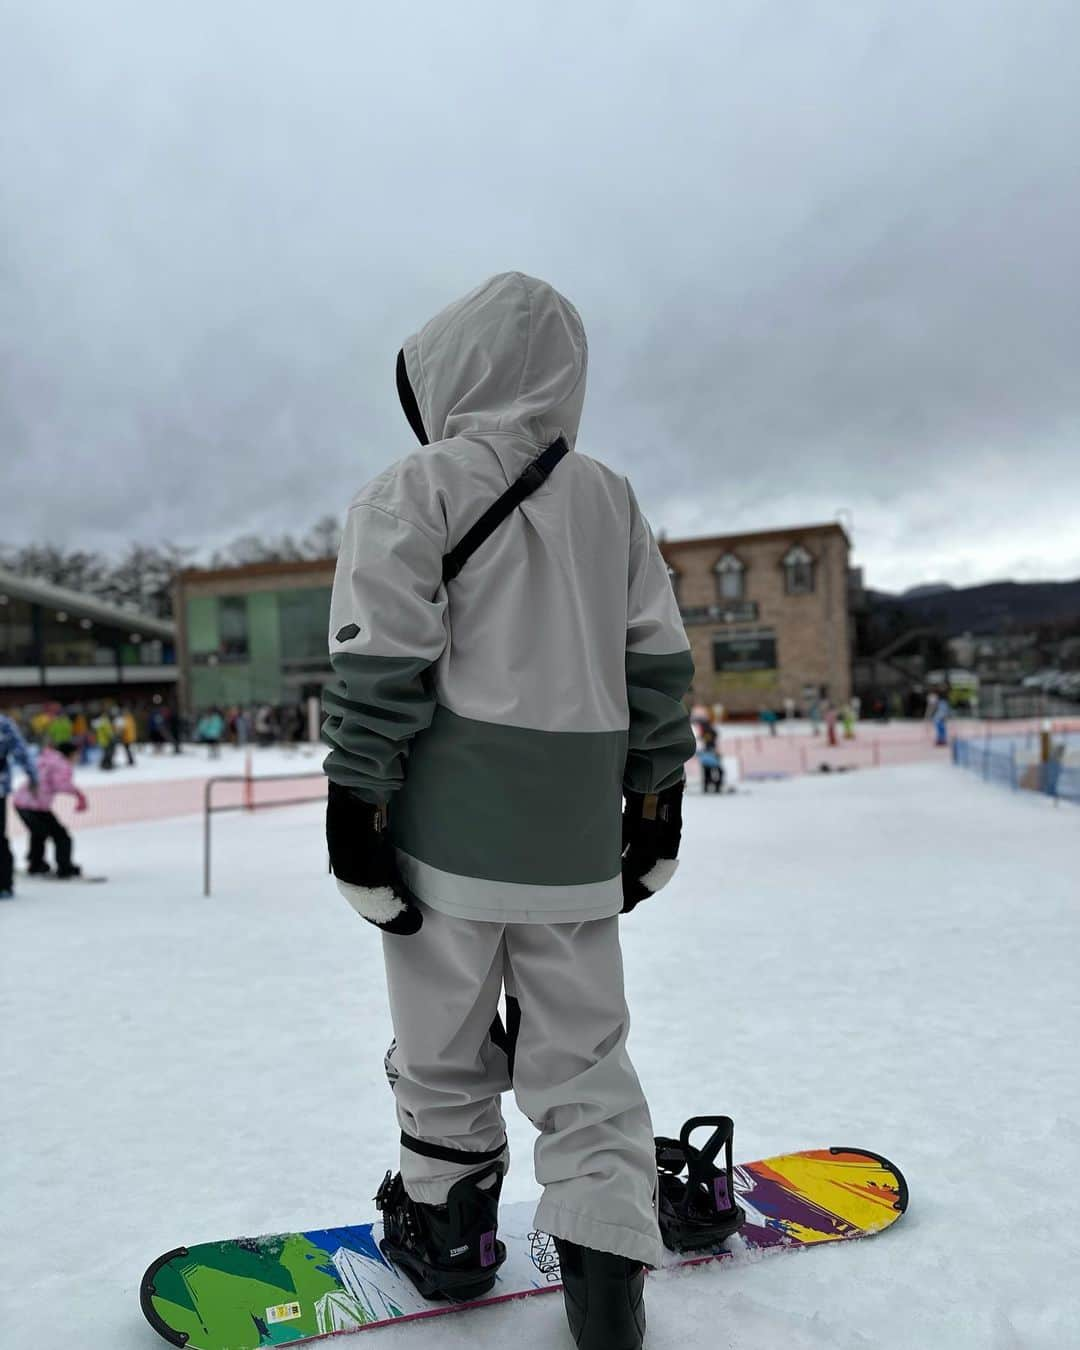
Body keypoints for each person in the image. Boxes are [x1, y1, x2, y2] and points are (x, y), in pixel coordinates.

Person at [322, 273, 694, 1350]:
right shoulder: (610, 500)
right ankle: (607, 1279)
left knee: (441, 1043)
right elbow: (657, 661)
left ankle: (446, 1238)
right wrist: (656, 800)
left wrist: (359, 805)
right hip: (574, 836)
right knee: (584, 1059)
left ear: (449, 370)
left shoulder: (411, 489)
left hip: (446, 831)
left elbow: (381, 660)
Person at [13, 740, 86, 879]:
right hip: (35, 805)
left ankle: (36, 864)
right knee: (61, 835)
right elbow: (61, 784)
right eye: (77, 754)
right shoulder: (62, 764)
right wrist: (78, 794)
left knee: (39, 833)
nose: (78, 758)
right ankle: (65, 868)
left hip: (21, 802)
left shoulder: (47, 758)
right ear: (70, 754)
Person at [1, 712, 39, 899]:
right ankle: (4, 883)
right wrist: (32, 776)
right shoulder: (4, 724)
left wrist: (33, 775)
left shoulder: (4, 725)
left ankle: (4, 883)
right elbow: (21, 751)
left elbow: (20, 751)